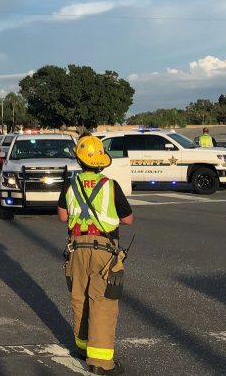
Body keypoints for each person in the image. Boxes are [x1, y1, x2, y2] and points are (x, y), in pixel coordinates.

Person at [57, 134, 133, 375]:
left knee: (79, 298)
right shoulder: (110, 185)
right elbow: (127, 219)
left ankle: (82, 347)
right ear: (101, 162)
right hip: (104, 251)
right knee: (102, 303)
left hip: (76, 249)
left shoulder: (70, 184)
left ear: (79, 161)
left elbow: (62, 216)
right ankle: (100, 362)